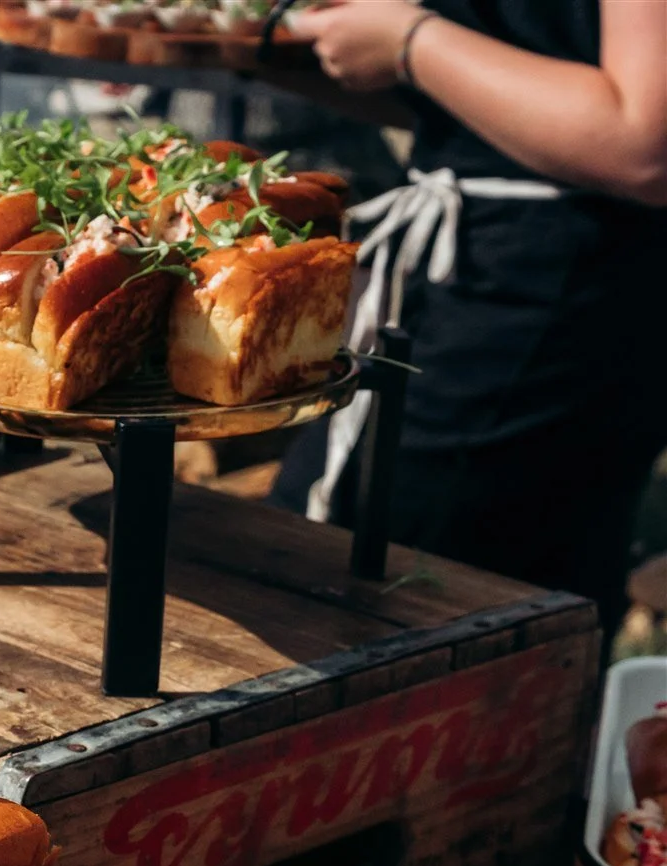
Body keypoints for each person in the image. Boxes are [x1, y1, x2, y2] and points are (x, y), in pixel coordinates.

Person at [269, 0, 667, 635]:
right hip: (484, 273)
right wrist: (273, 49)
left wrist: (410, 42)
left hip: (544, 305)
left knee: (367, 593)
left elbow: (646, 143)